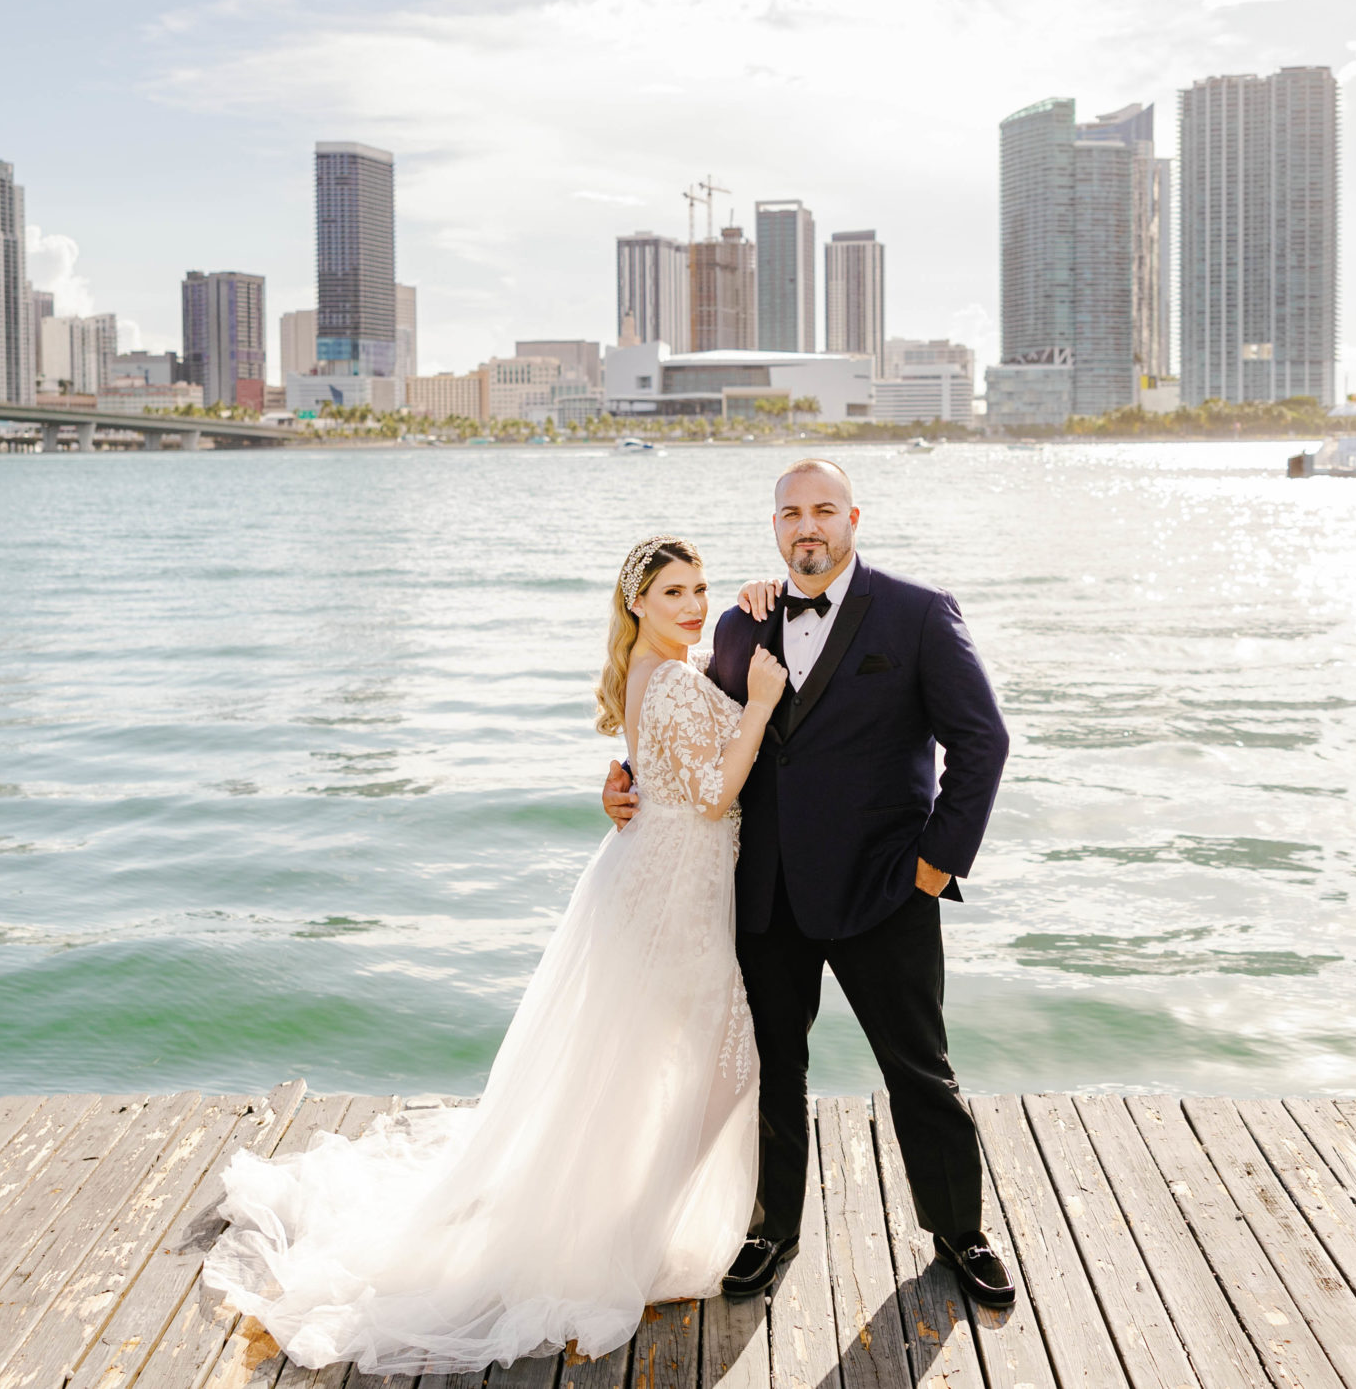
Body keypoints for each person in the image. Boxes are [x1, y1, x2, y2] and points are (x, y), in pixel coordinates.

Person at [203, 537, 789, 1373]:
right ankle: (631, 1237)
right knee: (717, 1071)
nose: (693, 607)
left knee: (654, 1070)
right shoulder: (665, 679)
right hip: (668, 898)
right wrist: (761, 701)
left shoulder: (656, 674)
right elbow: (712, 793)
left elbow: (659, 775)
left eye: (698, 589)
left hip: (666, 885)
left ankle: (622, 1220)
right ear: (637, 605)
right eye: (672, 594)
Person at [601, 458, 1015, 1307]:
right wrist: (623, 779)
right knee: (769, 1070)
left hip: (884, 892)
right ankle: (770, 1228)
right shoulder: (737, 624)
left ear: (853, 517)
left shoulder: (918, 612)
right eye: (791, 513)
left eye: (824, 509)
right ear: (775, 527)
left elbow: (984, 743)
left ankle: (959, 1233)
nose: (807, 526)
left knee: (919, 1071)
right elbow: (698, 744)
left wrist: (936, 865)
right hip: (765, 895)